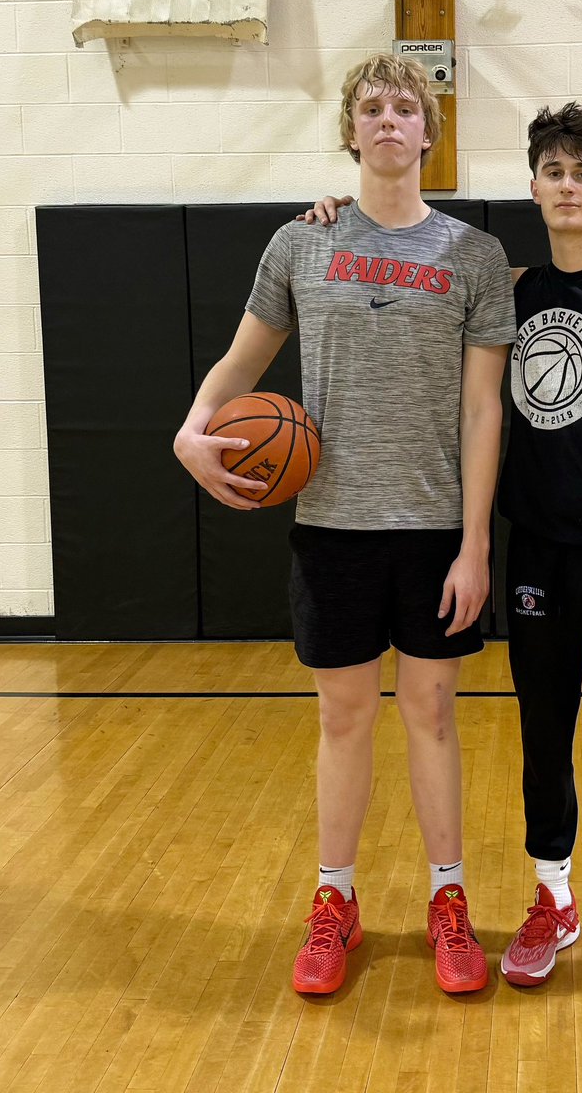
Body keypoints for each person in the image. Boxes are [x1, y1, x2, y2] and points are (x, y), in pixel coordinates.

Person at [304, 102, 582, 1030]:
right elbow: (408, 261)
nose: (569, 184)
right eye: (553, 170)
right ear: (534, 185)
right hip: (538, 556)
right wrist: (334, 213)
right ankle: (554, 901)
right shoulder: (506, 287)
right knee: (542, 745)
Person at [174, 54, 516, 997]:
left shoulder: (474, 256)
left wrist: (475, 543)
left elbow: (484, 410)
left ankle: (449, 901)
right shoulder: (300, 244)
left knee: (435, 715)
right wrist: (191, 430)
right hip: (332, 524)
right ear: (351, 128)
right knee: (344, 716)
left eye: (408, 108)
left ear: (429, 132)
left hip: (436, 525)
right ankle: (336, 901)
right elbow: (244, 361)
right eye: (373, 107)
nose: (390, 121)